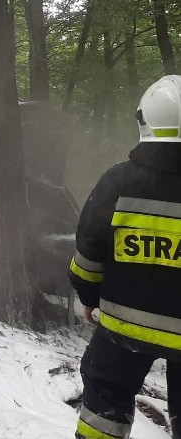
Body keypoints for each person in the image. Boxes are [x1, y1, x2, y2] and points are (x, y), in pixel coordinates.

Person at [70, 75, 181, 439]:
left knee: (105, 401)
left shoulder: (118, 182)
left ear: (143, 121)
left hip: (122, 330)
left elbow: (89, 252)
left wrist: (88, 298)